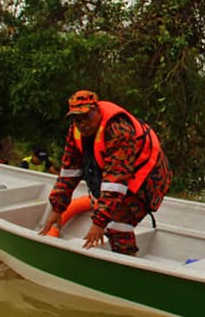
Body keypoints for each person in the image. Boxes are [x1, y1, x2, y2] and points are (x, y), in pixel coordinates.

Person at [39, 90, 172, 255]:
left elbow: (116, 180)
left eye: (87, 117)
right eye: (77, 119)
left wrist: (99, 223)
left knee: (118, 223)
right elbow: (69, 172)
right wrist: (57, 209)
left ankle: (126, 262)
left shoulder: (118, 131)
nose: (83, 124)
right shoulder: (75, 131)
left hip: (149, 176)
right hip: (122, 174)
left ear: (97, 111)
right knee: (109, 210)